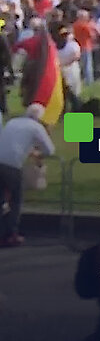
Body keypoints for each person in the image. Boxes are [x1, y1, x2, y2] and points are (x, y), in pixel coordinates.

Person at [0, 104, 56, 247]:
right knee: (16, 200)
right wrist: (37, 153)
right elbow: (50, 150)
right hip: (12, 164)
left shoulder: (13, 122)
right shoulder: (36, 127)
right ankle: (11, 233)